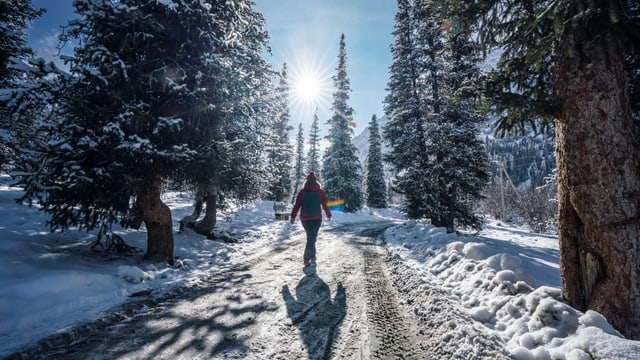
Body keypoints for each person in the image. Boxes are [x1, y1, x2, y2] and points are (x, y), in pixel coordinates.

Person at [290, 172, 332, 269]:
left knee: (311, 237)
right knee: (311, 238)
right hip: (317, 218)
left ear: (306, 181)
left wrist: (293, 216)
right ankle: (306, 259)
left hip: (304, 219)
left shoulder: (302, 192)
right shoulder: (320, 191)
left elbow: (297, 205)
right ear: (316, 181)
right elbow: (325, 204)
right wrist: (328, 214)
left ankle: (313, 256)